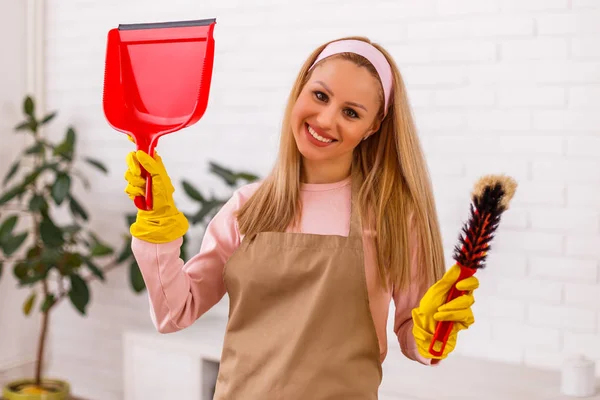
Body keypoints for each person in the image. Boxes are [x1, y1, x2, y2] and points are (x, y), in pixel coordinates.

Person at [124, 36, 479, 399]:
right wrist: (157, 233)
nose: (326, 120)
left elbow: (412, 338)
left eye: (351, 112)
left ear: (373, 127)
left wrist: (434, 333)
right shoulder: (248, 207)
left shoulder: (392, 216)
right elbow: (174, 313)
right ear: (300, 90)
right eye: (320, 96)